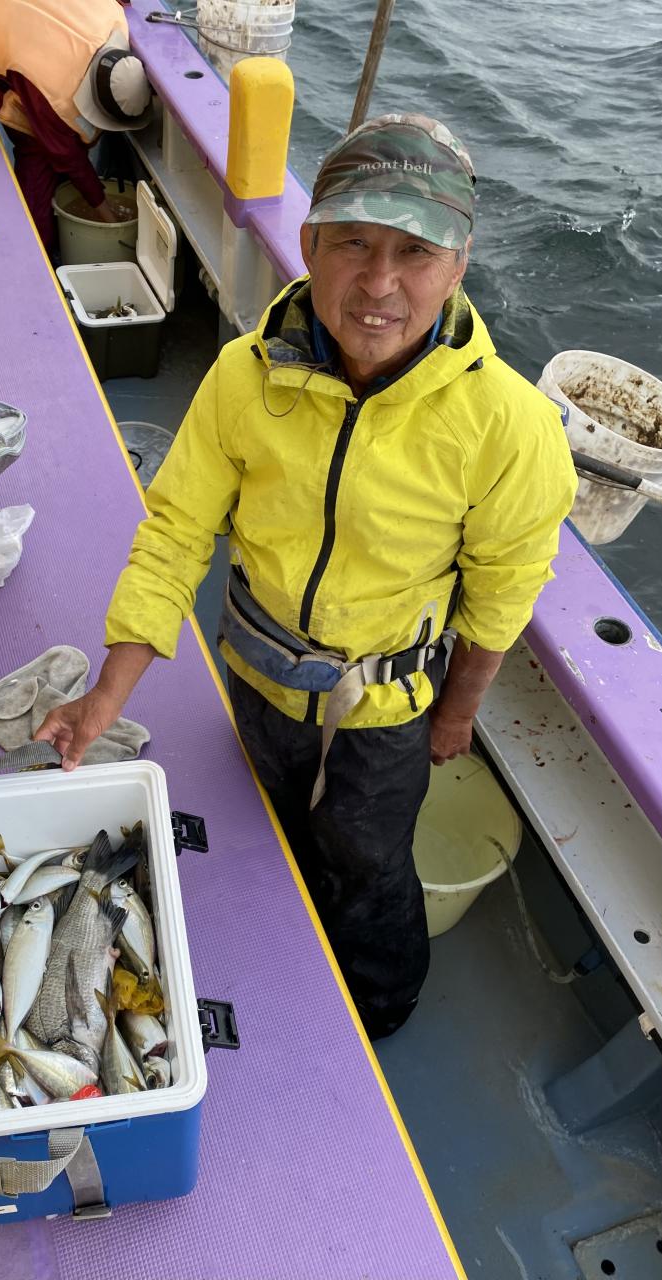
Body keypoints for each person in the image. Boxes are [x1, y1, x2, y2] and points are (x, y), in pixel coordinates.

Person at [35, 114, 578, 1039]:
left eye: (415, 252)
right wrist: (104, 698)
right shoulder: (241, 378)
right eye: (353, 243)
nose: (379, 283)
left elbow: (500, 594)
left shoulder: (510, 427)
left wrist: (454, 715)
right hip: (256, 674)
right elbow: (175, 533)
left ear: (458, 264)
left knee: (366, 863)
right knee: (267, 825)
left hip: (383, 710)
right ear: (310, 243)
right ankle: (281, 957)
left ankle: (380, 1008)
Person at [0, 0, 153, 252]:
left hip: (29, 21)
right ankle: (36, 243)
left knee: (55, 138)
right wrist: (106, 213)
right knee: (35, 142)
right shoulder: (51, 91)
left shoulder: (113, 17)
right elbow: (67, 154)